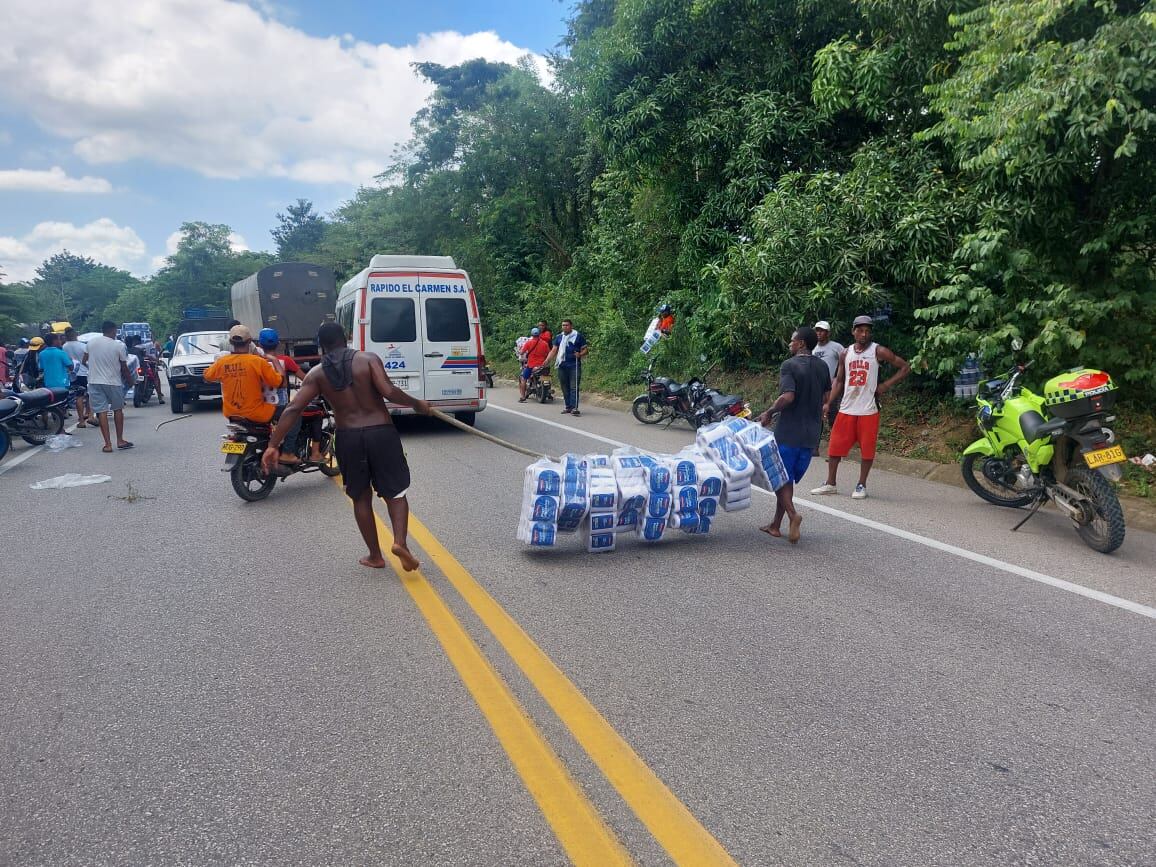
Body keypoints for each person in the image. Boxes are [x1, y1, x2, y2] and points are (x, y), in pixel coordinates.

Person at [262, 322, 432, 571]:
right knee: (395, 492)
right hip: (381, 433)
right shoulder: (368, 360)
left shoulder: (317, 374)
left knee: (360, 498)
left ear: (321, 345)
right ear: (346, 338)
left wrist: (272, 445)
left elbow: (293, 408)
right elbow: (388, 390)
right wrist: (417, 404)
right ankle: (399, 543)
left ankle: (375, 556)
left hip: (348, 437)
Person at [811, 315, 910, 499]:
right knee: (834, 447)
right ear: (853, 331)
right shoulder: (845, 353)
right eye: (860, 330)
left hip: (868, 409)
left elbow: (904, 367)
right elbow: (839, 381)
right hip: (847, 407)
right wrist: (828, 403)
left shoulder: (877, 351)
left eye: (867, 331)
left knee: (867, 449)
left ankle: (861, 484)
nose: (864, 334)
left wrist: (885, 385)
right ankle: (831, 483)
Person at [758, 326, 830, 543]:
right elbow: (827, 397)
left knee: (779, 477)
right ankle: (775, 525)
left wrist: (769, 411)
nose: (790, 344)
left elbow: (788, 396)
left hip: (789, 431)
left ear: (801, 344)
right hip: (811, 434)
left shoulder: (789, 365)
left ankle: (792, 515)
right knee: (787, 479)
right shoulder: (823, 366)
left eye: (792, 341)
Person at [202, 325, 283, 425]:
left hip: (231, 414)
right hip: (257, 414)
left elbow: (207, 376)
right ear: (249, 341)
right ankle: (278, 441)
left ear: (231, 342)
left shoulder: (222, 362)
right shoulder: (258, 362)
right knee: (290, 414)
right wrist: (276, 362)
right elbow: (278, 382)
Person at [83, 320, 134, 452]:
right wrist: (130, 381)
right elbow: (124, 367)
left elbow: (84, 360)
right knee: (117, 410)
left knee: (102, 412)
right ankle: (120, 440)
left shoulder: (91, 343)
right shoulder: (118, 346)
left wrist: (93, 369)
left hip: (94, 381)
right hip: (113, 382)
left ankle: (107, 444)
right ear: (113, 330)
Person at [257, 327, 306, 464]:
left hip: (260, 407)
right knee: (296, 416)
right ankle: (288, 452)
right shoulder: (285, 360)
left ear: (260, 345)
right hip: (279, 407)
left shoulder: (255, 360)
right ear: (278, 344)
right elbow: (305, 379)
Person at [811, 320, 845, 455]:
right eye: (817, 330)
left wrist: (839, 379)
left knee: (832, 416)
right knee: (816, 417)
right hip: (815, 388)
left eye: (822, 331)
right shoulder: (813, 348)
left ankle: (837, 447)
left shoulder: (836, 347)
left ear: (828, 333)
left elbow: (846, 362)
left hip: (831, 387)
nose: (819, 333)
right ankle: (815, 447)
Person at [542, 319, 588, 417]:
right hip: (562, 365)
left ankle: (574, 407)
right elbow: (554, 350)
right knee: (564, 387)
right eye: (563, 325)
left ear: (571, 326)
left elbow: (585, 349)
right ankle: (568, 407)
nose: (564, 327)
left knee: (574, 386)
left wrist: (580, 354)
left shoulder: (578, 336)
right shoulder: (559, 337)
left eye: (567, 325)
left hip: (574, 365)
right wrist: (547, 360)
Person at [62, 328, 95, 426]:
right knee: (89, 395)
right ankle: (90, 415)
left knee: (78, 397)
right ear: (75, 334)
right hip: (85, 373)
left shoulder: (64, 347)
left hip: (73, 375)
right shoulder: (83, 346)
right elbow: (89, 358)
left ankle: (81, 421)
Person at [517, 327, 551, 402]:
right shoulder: (545, 343)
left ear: (532, 335)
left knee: (523, 379)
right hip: (542, 366)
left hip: (531, 365)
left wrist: (520, 353)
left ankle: (522, 397)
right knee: (547, 376)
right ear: (539, 334)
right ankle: (549, 392)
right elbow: (549, 353)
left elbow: (522, 352)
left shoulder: (528, 343)